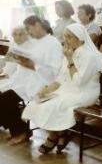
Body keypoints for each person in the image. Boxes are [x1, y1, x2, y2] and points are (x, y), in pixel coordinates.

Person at [21, 23, 102, 154]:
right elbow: (61, 79)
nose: (65, 40)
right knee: (39, 102)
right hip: (68, 89)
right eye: (65, 36)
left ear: (80, 38)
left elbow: (79, 82)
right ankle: (61, 135)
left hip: (85, 92)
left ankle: (53, 137)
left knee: (55, 105)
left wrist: (70, 59)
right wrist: (46, 90)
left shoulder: (90, 56)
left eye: (69, 37)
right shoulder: (70, 51)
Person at [0, 16, 63, 144]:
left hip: (42, 82)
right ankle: (17, 129)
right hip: (26, 79)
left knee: (6, 98)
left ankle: (21, 131)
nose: (28, 33)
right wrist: (20, 60)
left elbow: (54, 71)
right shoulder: (35, 42)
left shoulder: (53, 43)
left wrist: (33, 66)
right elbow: (28, 60)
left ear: (38, 25)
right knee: (2, 95)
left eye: (29, 29)